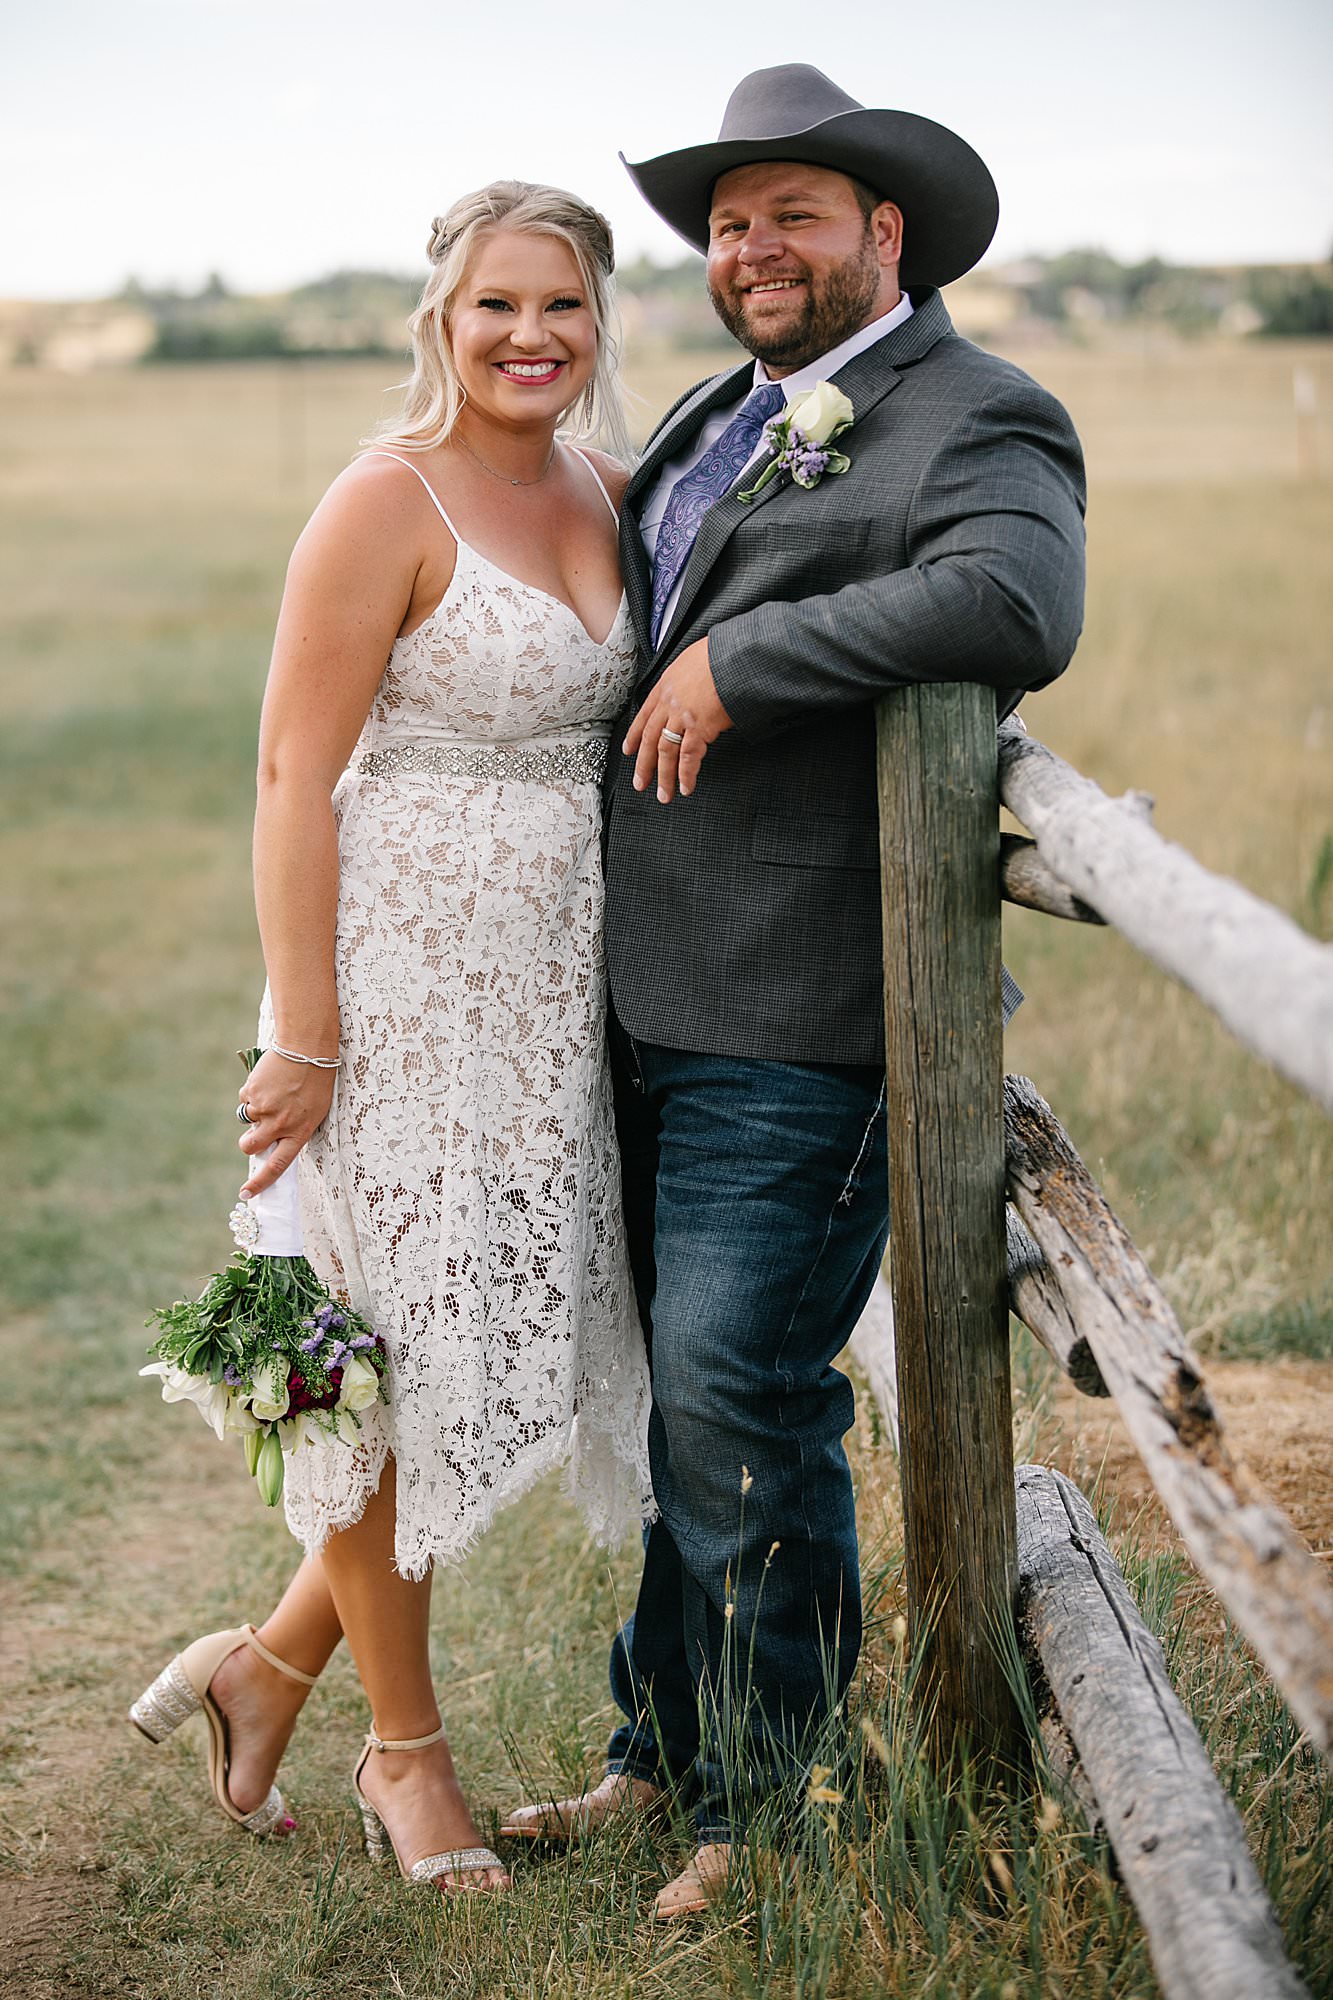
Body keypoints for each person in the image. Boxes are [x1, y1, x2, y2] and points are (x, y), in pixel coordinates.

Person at [502, 65, 1087, 1916]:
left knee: (737, 1389)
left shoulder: (980, 413)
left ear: (882, 235)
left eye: (794, 216)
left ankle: (765, 1810)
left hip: (810, 1007)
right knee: (683, 1405)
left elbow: (1013, 606)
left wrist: (752, 655)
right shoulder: (712, 411)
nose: (752, 249)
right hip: (649, 998)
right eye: (731, 223)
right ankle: (656, 1751)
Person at [129, 181, 652, 1897]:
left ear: (597, 320)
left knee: (472, 1344)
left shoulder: (610, 487)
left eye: (560, 307)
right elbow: (293, 772)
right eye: (496, 305)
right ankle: (404, 1759)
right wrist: (311, 1035)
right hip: (391, 991)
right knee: (373, 1356)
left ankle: (263, 1666)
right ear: (441, 316)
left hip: (550, 994)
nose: (530, 338)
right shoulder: (382, 498)